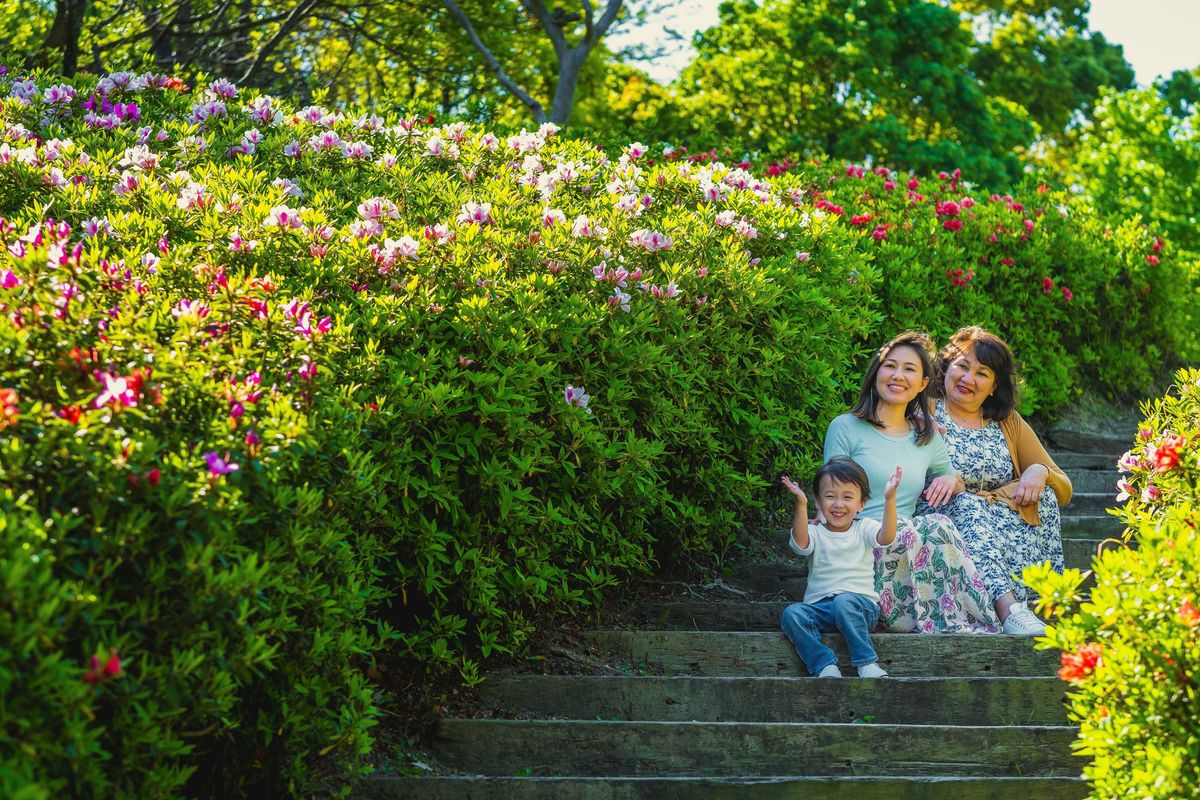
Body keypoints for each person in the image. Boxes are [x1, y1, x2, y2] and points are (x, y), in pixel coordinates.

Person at [823, 331, 1001, 633]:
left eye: (909, 369)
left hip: (905, 552)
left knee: (937, 524)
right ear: (876, 373)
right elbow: (831, 497)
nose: (898, 376)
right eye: (890, 366)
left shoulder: (925, 436)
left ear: (922, 384)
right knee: (929, 526)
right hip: (858, 550)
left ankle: (950, 617)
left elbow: (953, 478)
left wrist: (949, 479)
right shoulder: (845, 427)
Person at [923, 327, 1071, 636]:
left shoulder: (1007, 422)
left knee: (1043, 495)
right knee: (966, 504)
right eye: (962, 366)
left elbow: (1064, 488)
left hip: (995, 524)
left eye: (982, 373)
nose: (968, 379)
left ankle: (1038, 602)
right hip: (941, 517)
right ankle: (1009, 610)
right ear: (946, 367)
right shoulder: (924, 410)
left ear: (994, 386)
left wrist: (1039, 471)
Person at [779, 457, 901, 678]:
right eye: (830, 496)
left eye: (847, 497)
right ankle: (824, 665)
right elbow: (801, 545)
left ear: (861, 504)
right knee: (792, 614)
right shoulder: (815, 531)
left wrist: (889, 499)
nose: (838, 504)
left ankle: (866, 663)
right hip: (821, 609)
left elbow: (886, 537)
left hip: (859, 608)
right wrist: (801, 504)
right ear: (818, 502)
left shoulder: (864, 528)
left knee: (844, 602)